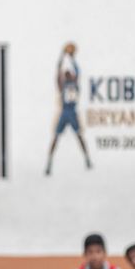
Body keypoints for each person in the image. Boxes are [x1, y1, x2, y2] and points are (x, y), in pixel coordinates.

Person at [44, 43, 92, 176]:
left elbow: (78, 70)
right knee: (56, 137)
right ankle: (49, 163)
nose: (67, 73)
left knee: (79, 136)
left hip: (72, 112)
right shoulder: (62, 85)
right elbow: (58, 71)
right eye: (66, 73)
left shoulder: (75, 83)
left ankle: (87, 159)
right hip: (65, 112)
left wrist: (71, 58)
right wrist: (62, 56)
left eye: (68, 73)